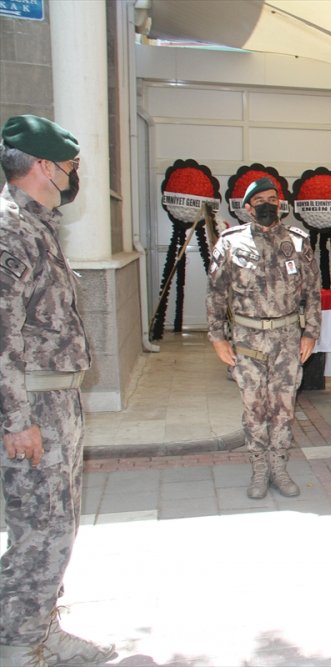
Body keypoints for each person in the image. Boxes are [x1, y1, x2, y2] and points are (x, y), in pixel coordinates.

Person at [0, 115, 117, 666]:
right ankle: (20, 646)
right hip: (33, 404)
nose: (74, 176)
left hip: (54, 400)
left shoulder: (37, 225)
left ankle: (39, 626)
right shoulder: (9, 230)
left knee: (55, 525)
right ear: (43, 167)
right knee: (39, 530)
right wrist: (15, 418)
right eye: (71, 166)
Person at [207, 177, 322, 499]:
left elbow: (312, 292)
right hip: (247, 340)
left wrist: (311, 332)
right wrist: (218, 338)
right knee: (254, 409)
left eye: (274, 198)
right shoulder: (230, 242)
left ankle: (280, 467)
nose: (269, 204)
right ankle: (259, 470)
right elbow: (215, 294)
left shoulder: (298, 241)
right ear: (247, 208)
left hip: (287, 338)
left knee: (284, 408)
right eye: (261, 200)